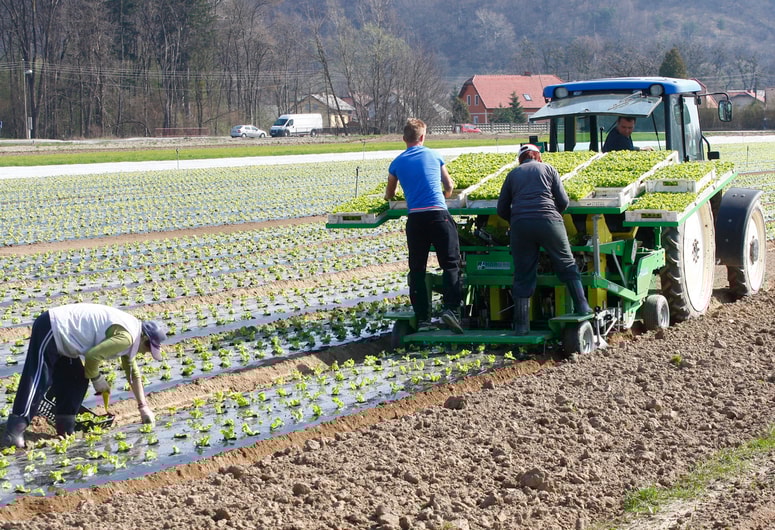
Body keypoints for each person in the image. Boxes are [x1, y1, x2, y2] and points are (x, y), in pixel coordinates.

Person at [1, 303, 167, 448]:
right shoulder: (127, 337)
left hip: (67, 339)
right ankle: (15, 429)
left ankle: (65, 426)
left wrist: (143, 407)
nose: (146, 353)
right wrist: (97, 379)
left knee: (77, 380)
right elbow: (92, 357)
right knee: (38, 377)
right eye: (148, 348)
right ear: (144, 338)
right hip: (53, 327)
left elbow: (132, 373)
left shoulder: (131, 335)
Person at [497, 144, 591, 335]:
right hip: (549, 222)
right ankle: (583, 307)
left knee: (523, 273)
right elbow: (563, 201)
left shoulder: (513, 175)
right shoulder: (548, 169)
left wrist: (516, 220)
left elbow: (501, 208)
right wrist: (552, 215)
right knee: (566, 263)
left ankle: (522, 327)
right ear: (538, 157)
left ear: (520, 159)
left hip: (520, 226)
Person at [385, 118, 464, 334]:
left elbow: (389, 195)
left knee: (417, 269)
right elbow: (449, 185)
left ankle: (423, 320)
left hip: (416, 220)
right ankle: (451, 310)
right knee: (450, 264)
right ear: (423, 137)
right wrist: (445, 196)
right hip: (438, 216)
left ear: (404, 139)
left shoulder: (397, 163)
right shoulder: (434, 155)